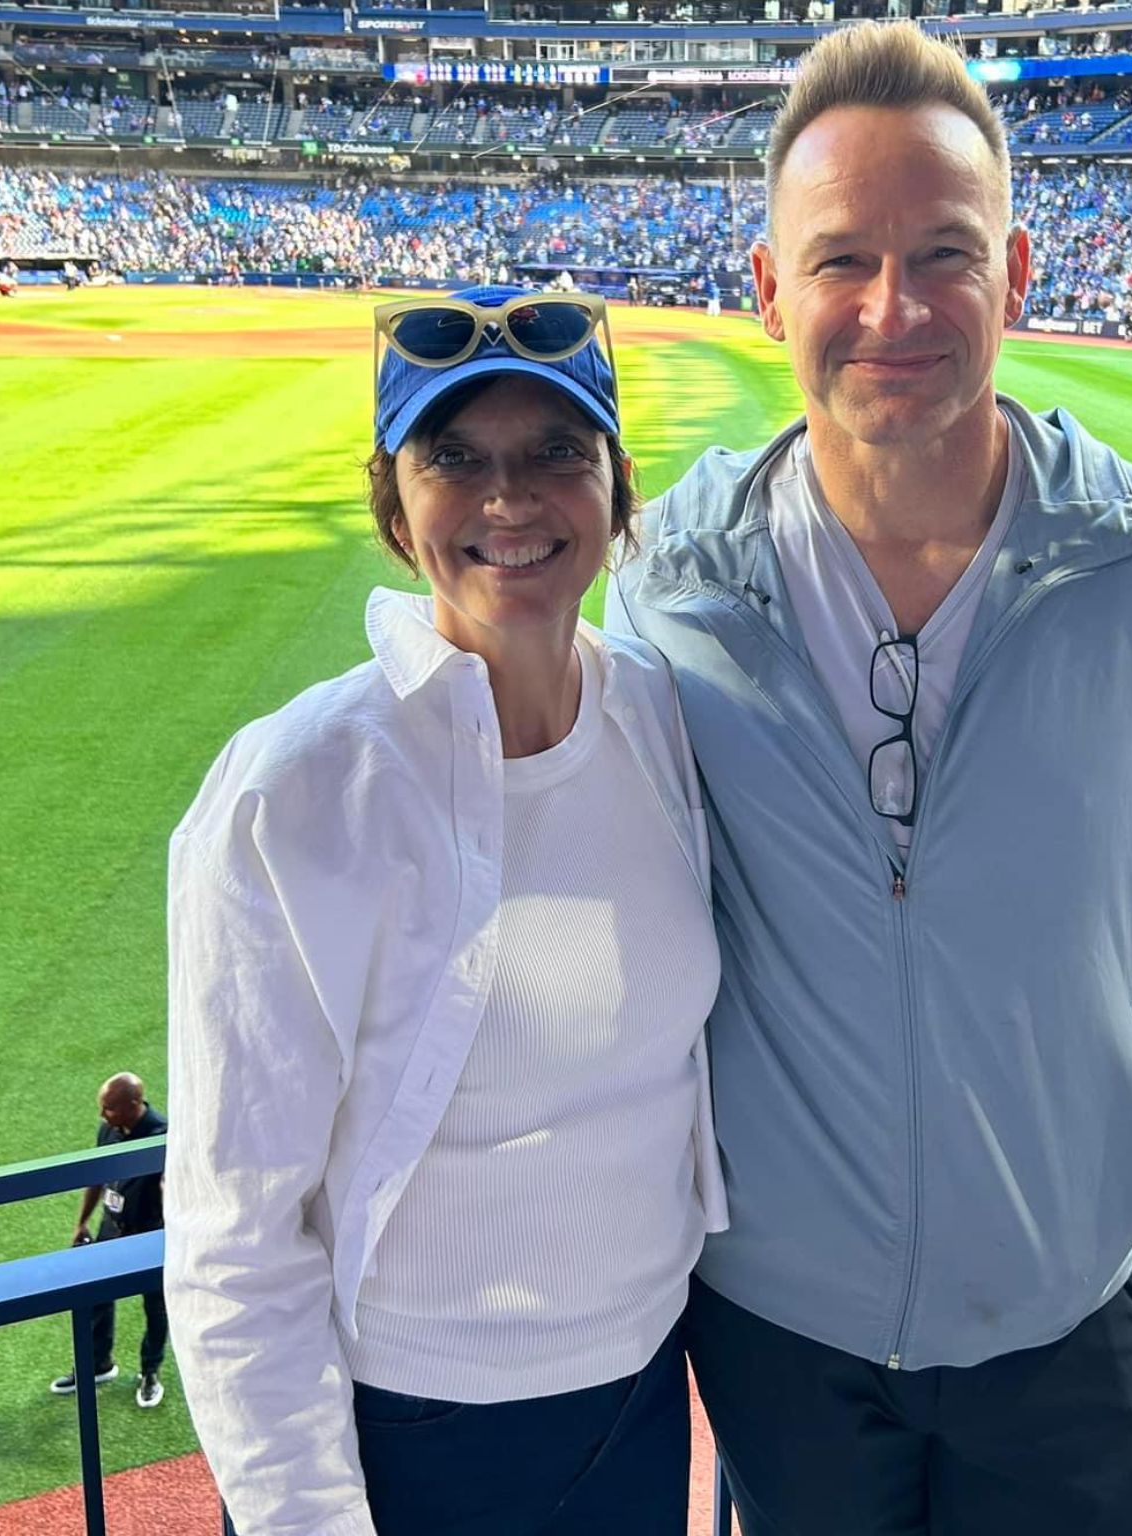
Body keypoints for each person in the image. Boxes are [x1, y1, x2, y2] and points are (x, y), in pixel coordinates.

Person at [608, 23, 1132, 1536]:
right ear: (772, 287)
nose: (894, 307)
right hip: (782, 1332)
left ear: (1018, 272)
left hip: (1067, 1320)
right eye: (842, 259)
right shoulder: (663, 581)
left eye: (946, 253)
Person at [165, 285, 723, 1536]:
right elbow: (233, 1232)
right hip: (417, 1432)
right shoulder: (294, 790)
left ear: (616, 488)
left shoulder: (660, 722)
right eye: (453, 458)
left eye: (555, 455)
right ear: (393, 499)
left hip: (646, 1387)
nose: (508, 502)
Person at [47, 1073, 170, 1409]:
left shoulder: (164, 1135)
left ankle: (150, 1372)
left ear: (134, 1105)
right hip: (112, 1227)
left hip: (151, 1233)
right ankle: (97, 1364)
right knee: (96, 1294)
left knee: (156, 1306)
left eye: (110, 1109)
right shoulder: (109, 1130)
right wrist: (82, 1221)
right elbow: (97, 1176)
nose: (103, 1116)